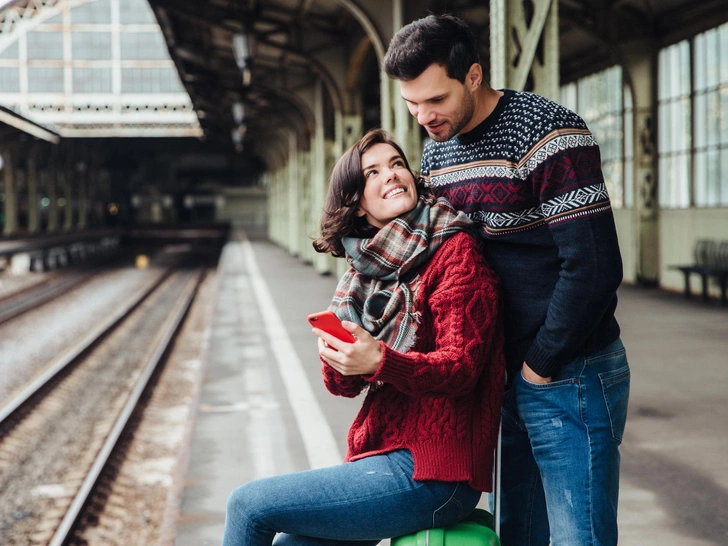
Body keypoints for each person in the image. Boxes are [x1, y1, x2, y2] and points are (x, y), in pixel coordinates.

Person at [383, 14, 630, 546]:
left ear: (473, 76)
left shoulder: (549, 132)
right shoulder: (436, 149)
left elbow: (594, 267)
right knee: (516, 534)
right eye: (411, 103)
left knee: (577, 538)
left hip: (570, 371)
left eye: (436, 99)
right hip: (501, 374)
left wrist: (538, 366)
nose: (423, 116)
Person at [222, 129, 506, 546]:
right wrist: (340, 356)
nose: (390, 175)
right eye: (372, 172)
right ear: (357, 202)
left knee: (248, 505)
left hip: (437, 476)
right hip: (385, 458)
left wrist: (380, 361)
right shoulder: (364, 275)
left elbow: (461, 368)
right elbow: (341, 385)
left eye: (396, 164)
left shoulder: (455, 251)